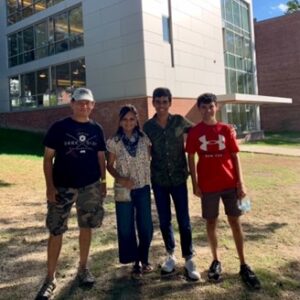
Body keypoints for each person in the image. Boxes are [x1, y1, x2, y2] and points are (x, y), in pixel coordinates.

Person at [36, 87, 107, 300]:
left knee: (86, 227)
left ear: (93, 105)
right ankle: (50, 278)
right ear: (72, 104)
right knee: (56, 230)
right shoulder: (59, 127)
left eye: (88, 103)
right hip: (62, 187)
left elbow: (101, 157)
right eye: (80, 102)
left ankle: (83, 269)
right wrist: (50, 187)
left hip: (90, 186)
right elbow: (48, 159)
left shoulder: (97, 129)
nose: (84, 106)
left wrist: (103, 182)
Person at [186, 93, 261, 289]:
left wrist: (241, 183)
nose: (207, 110)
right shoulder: (195, 132)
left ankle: (243, 263)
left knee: (235, 222)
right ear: (199, 109)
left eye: (210, 106)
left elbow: (235, 157)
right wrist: (195, 183)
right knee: (211, 222)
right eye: (203, 107)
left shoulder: (226, 130)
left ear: (216, 107)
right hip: (208, 186)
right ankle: (216, 260)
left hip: (230, 184)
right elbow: (191, 158)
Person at [143, 87, 200, 281]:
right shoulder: (148, 126)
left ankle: (189, 258)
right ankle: (170, 255)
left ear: (170, 102)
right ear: (153, 103)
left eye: (164, 101)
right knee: (165, 219)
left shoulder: (179, 121)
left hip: (178, 178)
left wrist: (228, 128)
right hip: (159, 179)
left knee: (184, 219)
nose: (161, 105)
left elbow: (199, 130)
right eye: (157, 101)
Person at [107, 104, 153, 278]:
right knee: (126, 227)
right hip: (123, 190)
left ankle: (144, 258)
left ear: (136, 120)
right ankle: (136, 262)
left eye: (132, 119)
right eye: (125, 119)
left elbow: (150, 159)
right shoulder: (114, 142)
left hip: (143, 188)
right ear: (120, 121)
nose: (128, 122)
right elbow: (109, 166)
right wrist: (121, 179)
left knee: (146, 227)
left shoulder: (144, 138)